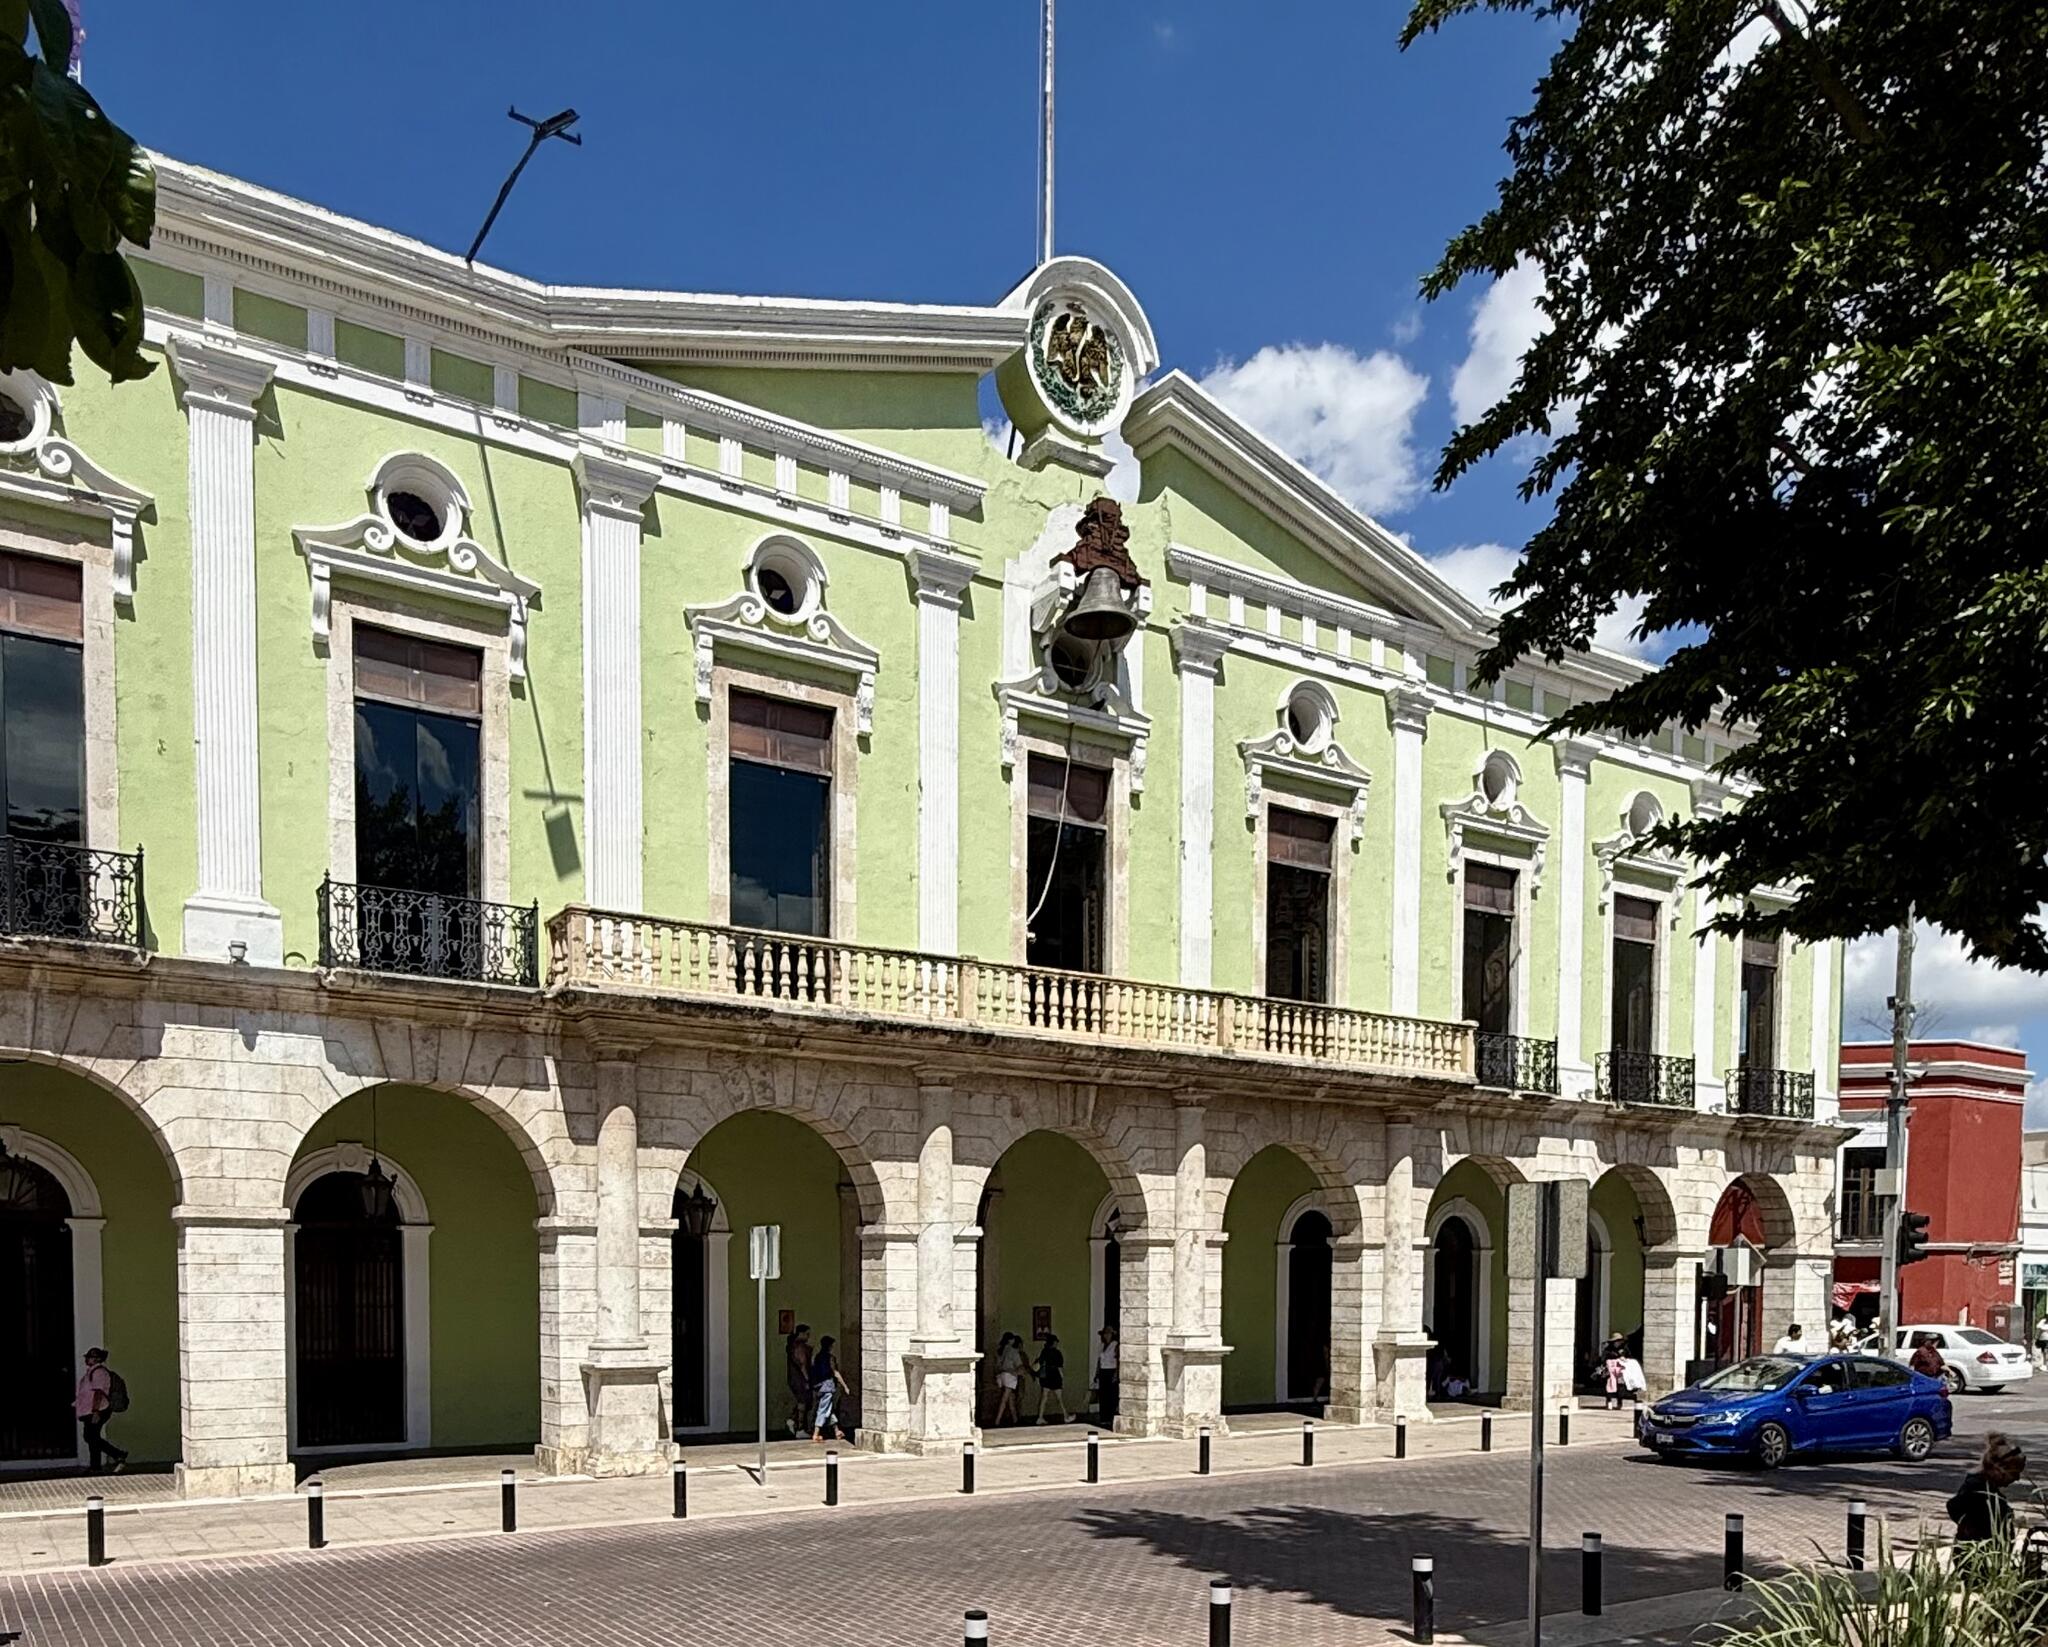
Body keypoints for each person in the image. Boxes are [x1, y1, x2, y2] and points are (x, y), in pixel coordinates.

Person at [1949, 1432, 2026, 1544]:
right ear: (1998, 1469)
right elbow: (1954, 1505)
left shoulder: (1981, 1486)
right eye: (2014, 1473)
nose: (2017, 1478)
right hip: (1980, 1550)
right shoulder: (1979, 1490)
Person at [74, 1347, 127, 1474]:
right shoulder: (92, 1372)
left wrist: (96, 1411)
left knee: (91, 1436)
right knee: (92, 1437)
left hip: (98, 1409)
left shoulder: (99, 1373)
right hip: (91, 1410)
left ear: (97, 1359)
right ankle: (96, 1465)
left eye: (90, 1357)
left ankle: (117, 1455)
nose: (87, 1359)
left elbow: (98, 1393)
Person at [809, 1334, 852, 1443]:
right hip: (828, 1387)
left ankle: (837, 1430)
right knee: (823, 1410)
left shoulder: (818, 1357)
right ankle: (816, 1433)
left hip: (819, 1387)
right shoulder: (830, 1358)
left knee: (829, 1409)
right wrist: (845, 1386)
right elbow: (835, 1373)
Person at [991, 1332, 1028, 1427]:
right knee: (1004, 1399)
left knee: (1010, 1399)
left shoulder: (1001, 1350)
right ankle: (997, 1420)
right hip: (1010, 1376)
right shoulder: (1013, 1351)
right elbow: (1018, 1363)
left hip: (1001, 1376)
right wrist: (1020, 1371)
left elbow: (998, 1364)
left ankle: (1015, 1419)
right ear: (1010, 1340)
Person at [784, 1323, 813, 1437]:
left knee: (802, 1401)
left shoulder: (791, 1346)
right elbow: (802, 1365)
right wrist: (807, 1379)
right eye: (807, 1334)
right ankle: (800, 1428)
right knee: (803, 1402)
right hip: (799, 1379)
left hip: (793, 1378)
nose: (808, 1336)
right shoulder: (799, 1346)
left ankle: (792, 1420)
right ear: (801, 1333)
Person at [1033, 1333, 1070, 1423]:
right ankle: (1066, 1416)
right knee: (1059, 1398)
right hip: (1055, 1376)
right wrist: (1062, 1376)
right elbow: (1059, 1367)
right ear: (1054, 1343)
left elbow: (1040, 1363)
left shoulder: (1044, 1351)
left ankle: (1040, 1417)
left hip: (1045, 1376)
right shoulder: (1057, 1353)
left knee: (1044, 1397)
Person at [1092, 1327, 1119, 1427]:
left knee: (1110, 1395)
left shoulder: (1115, 1345)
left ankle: (1110, 1417)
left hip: (1111, 1370)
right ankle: (1103, 1417)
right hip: (1103, 1371)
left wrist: (1116, 1374)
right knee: (1103, 1394)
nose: (1106, 1335)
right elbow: (1099, 1361)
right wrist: (1096, 1373)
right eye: (1105, 1334)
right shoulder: (1101, 1345)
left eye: (1108, 1334)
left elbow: (1117, 1360)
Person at [1602, 1344, 1629, 1410]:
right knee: (1609, 1386)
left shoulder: (1624, 1349)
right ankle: (1609, 1403)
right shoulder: (1608, 1350)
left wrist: (1624, 1358)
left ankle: (1619, 1403)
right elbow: (1604, 1359)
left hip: (1620, 1371)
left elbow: (1628, 1357)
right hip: (1610, 1370)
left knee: (1620, 1387)